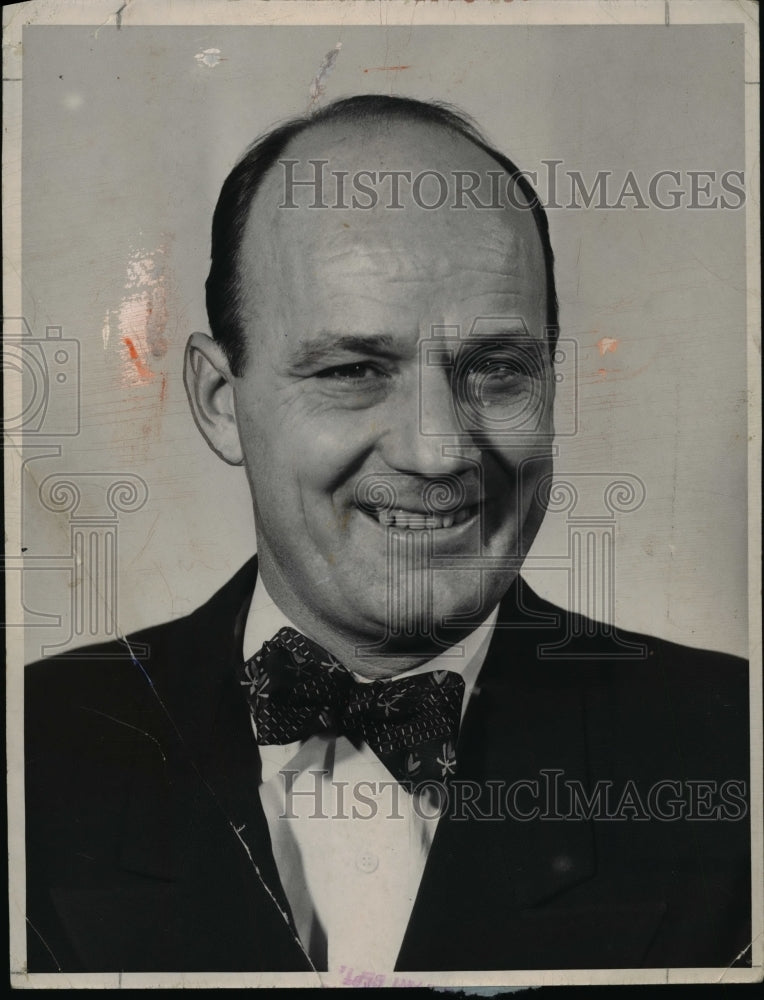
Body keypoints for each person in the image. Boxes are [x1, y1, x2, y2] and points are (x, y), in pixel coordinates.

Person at [25, 95, 750, 975]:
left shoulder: (734, 755)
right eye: (355, 371)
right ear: (221, 403)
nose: (439, 449)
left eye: (496, 369)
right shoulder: (32, 752)